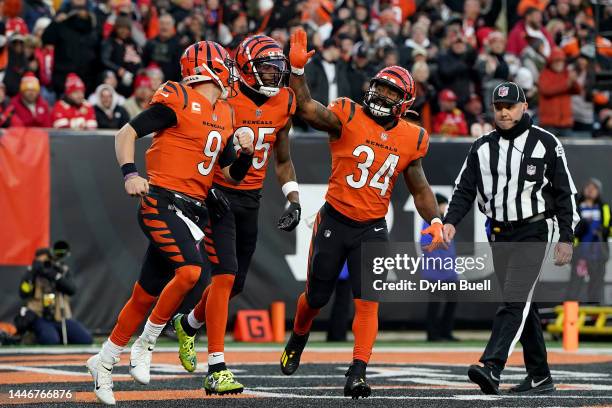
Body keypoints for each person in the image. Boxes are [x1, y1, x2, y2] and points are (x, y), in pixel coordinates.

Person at [86, 41, 254, 406]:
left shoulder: (224, 112)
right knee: (192, 272)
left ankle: (104, 360)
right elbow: (126, 133)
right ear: (211, 67)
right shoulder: (178, 97)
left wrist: (247, 154)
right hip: (161, 200)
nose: (231, 71)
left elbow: (229, 174)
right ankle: (147, 341)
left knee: (144, 293)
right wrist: (130, 173)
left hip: (194, 211)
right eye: (226, 64)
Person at [279, 28, 444, 399]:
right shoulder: (347, 114)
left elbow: (419, 186)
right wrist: (297, 71)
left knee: (368, 300)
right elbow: (305, 108)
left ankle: (358, 371)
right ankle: (299, 335)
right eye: (381, 88)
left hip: (371, 227)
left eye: (391, 93)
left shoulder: (411, 136)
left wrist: (434, 221)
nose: (382, 96)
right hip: (335, 220)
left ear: (404, 102)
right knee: (316, 296)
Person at [171, 34, 301, 395]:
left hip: (251, 197)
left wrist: (294, 199)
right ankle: (217, 368)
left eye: (279, 69)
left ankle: (189, 323)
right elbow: (199, 142)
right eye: (266, 68)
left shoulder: (285, 103)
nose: (274, 76)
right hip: (218, 192)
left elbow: (284, 159)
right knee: (225, 276)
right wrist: (205, 187)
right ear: (244, 69)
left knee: (235, 283)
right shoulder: (225, 97)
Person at [443, 81, 579, 395]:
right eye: (499, 107)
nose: (504, 112)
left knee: (514, 299)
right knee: (521, 305)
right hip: (499, 232)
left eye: (510, 106)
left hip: (533, 230)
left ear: (523, 107)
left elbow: (564, 194)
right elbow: (465, 189)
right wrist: (450, 222)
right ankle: (540, 375)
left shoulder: (545, 143)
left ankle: (492, 365)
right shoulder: (481, 146)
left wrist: (566, 237)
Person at [17, 246, 92, 345]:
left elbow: (71, 289)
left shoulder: (59, 271)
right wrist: (31, 274)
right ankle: (37, 335)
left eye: (47, 261)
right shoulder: (32, 273)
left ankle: (57, 334)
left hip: (60, 317)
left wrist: (53, 275)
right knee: (50, 340)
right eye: (41, 262)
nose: (44, 265)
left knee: (85, 339)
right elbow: (23, 293)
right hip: (40, 317)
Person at [566, 178, 611, 304]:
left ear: (598, 192)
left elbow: (609, 227)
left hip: (598, 252)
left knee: (596, 284)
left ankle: (594, 314)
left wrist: (603, 230)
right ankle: (571, 313)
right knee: (575, 283)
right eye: (588, 187)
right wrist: (581, 228)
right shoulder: (576, 207)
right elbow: (569, 228)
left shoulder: (604, 208)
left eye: (594, 188)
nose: (590, 190)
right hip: (581, 252)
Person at [421, 193, 458, 342]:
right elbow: (425, 246)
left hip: (449, 273)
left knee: (452, 301)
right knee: (434, 304)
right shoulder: (429, 223)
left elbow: (450, 248)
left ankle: (446, 332)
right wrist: (442, 265)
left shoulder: (445, 223)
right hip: (435, 273)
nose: (445, 208)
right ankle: (432, 334)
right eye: (443, 205)